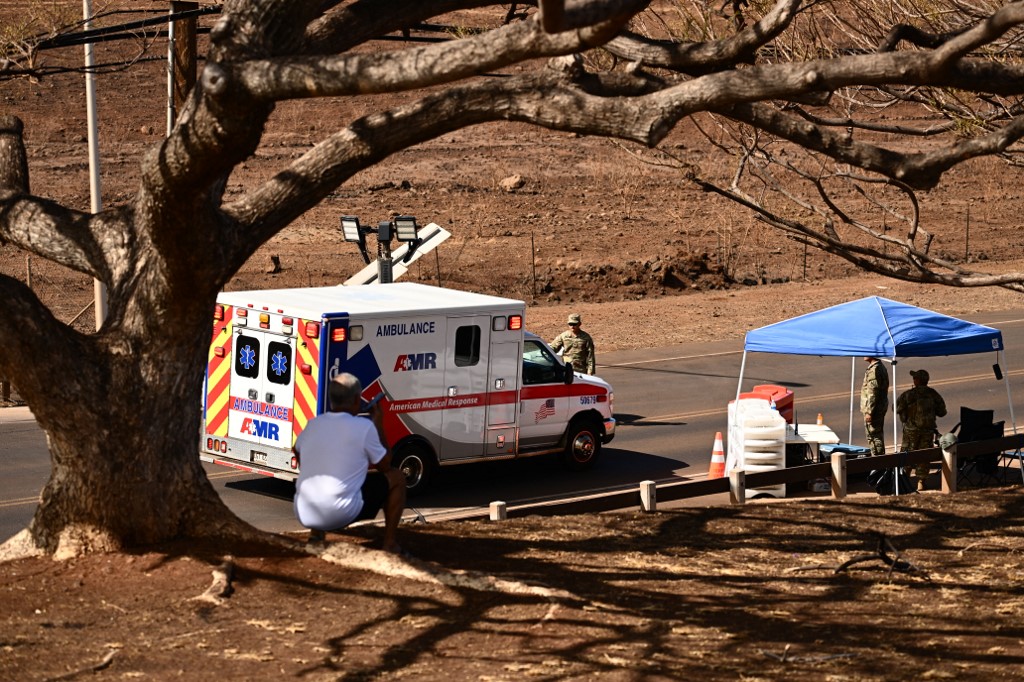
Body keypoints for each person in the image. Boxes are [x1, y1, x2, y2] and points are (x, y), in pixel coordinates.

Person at [293, 372, 406, 553]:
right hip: (340, 514)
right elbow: (386, 465)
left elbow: (296, 449)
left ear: (331, 400)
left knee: (322, 480)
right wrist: (378, 424)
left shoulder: (313, 424)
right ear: (356, 400)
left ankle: (316, 535)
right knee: (397, 477)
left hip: (304, 512)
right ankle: (390, 543)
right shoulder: (364, 427)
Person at [896, 369, 947, 491]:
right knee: (924, 457)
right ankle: (921, 482)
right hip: (927, 431)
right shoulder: (933, 394)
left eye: (915, 378)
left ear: (917, 380)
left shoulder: (909, 394)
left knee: (907, 455)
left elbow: (897, 408)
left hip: (910, 431)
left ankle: (905, 480)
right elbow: (942, 412)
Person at [861, 356, 890, 457]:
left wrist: (869, 411)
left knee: (874, 436)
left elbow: (873, 393)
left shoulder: (875, 370)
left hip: (875, 409)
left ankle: (878, 462)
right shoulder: (880, 367)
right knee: (876, 435)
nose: (863, 355)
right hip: (879, 407)